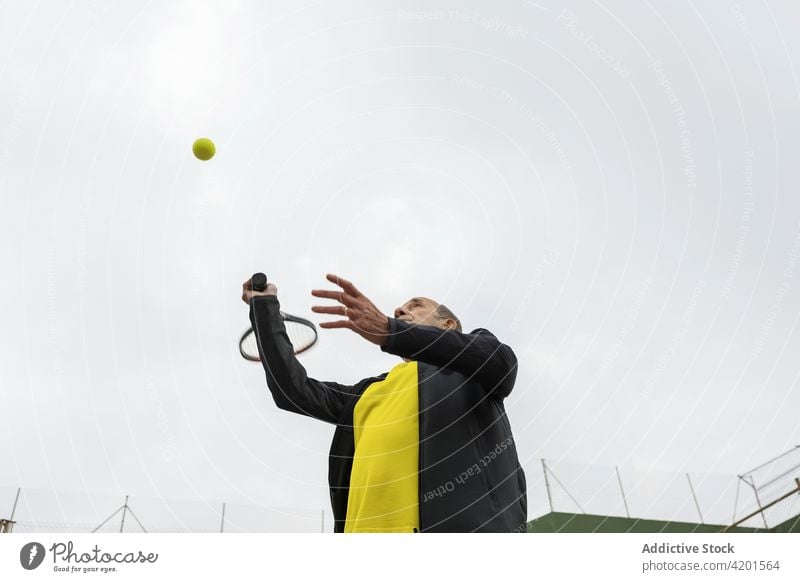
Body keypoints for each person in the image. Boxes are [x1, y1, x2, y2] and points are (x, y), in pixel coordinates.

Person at [242, 273, 527, 533]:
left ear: (448, 325)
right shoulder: (368, 392)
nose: (401, 310)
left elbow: (498, 360)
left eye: (416, 305)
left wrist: (391, 331)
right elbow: (291, 390)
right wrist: (264, 309)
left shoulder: (471, 371)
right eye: (400, 309)